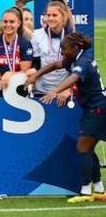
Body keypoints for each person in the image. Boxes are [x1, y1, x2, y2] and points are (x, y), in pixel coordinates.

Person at [33, 33, 106, 203]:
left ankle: (86, 191)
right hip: (94, 108)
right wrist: (35, 75)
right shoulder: (74, 58)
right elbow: (55, 65)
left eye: (65, 51)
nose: (63, 54)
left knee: (82, 148)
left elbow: (73, 78)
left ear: (75, 48)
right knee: (88, 147)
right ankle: (99, 188)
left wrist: (54, 91)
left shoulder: (83, 62)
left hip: (98, 109)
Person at [28, 0, 74, 99]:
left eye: (54, 15)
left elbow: (75, 68)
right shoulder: (37, 35)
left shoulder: (71, 37)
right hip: (41, 91)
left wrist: (69, 89)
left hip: (63, 93)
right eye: (48, 15)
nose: (51, 18)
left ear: (63, 17)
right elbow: (35, 62)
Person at [0, 7, 34, 97]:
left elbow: (25, 71)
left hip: (18, 91)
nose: (8, 25)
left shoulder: (25, 44)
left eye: (12, 22)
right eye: (5, 21)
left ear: (19, 23)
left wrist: (11, 74)